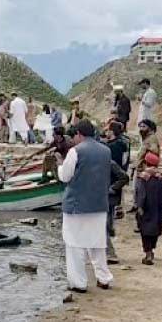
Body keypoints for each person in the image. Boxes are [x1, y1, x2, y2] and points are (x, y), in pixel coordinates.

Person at [55, 120, 114, 293]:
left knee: (74, 243)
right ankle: (104, 278)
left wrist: (59, 164)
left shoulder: (75, 151)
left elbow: (65, 177)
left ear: (79, 134)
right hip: (99, 203)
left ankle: (78, 282)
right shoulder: (106, 151)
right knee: (97, 243)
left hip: (77, 205)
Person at [135, 152, 162, 265]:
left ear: (146, 163)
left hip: (146, 209)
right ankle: (151, 250)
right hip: (158, 210)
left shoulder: (143, 177)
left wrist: (140, 206)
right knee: (155, 231)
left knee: (145, 232)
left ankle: (148, 253)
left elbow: (141, 193)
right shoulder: (161, 177)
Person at [106, 159, 129, 264]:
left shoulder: (110, 164)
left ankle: (110, 254)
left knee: (104, 227)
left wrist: (112, 188)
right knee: (106, 227)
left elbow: (124, 177)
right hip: (102, 200)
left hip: (109, 199)